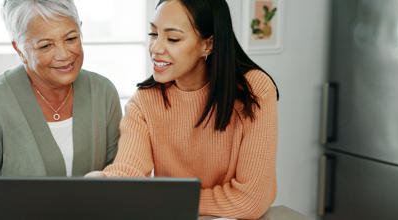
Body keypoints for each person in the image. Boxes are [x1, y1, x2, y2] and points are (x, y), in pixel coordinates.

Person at [86, 0, 279, 219]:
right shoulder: (144, 101)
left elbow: (252, 199)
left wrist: (168, 199)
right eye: (153, 34)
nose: (156, 48)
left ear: (208, 45)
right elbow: (129, 170)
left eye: (173, 38)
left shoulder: (253, 90)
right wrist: (105, 181)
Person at [0, 0, 122, 219]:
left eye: (71, 38)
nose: (63, 55)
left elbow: (120, 179)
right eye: (46, 46)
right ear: (19, 48)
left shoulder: (103, 93)